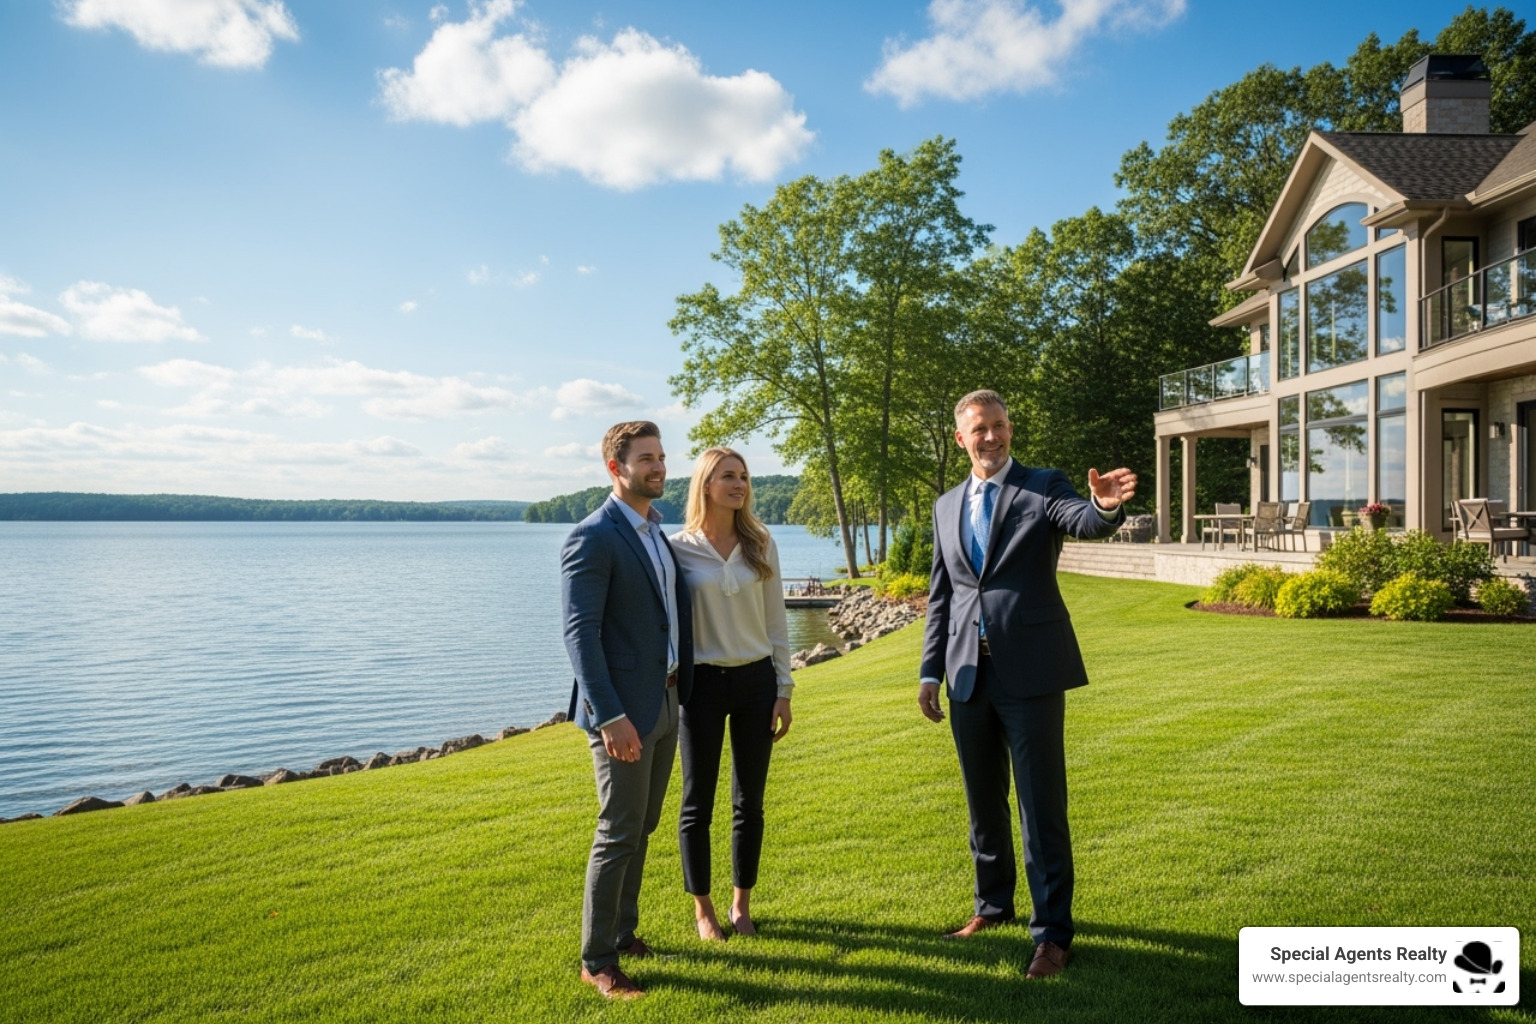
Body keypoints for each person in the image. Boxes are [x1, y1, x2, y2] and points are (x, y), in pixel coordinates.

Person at [918, 389, 1136, 980]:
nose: (991, 437)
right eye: (979, 429)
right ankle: (992, 906)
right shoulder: (945, 506)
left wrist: (1103, 506)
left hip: (1033, 672)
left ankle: (1052, 935)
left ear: (1010, 430)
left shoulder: (1043, 486)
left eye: (999, 425)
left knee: (1041, 807)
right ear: (961, 439)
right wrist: (930, 671)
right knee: (982, 802)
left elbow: (1082, 519)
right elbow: (942, 595)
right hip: (968, 674)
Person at [562, 420, 694, 1000]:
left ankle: (623, 932)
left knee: (643, 825)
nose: (659, 467)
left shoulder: (655, 531)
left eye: (661, 457)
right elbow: (580, 634)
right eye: (646, 459)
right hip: (621, 713)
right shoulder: (593, 536)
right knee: (618, 831)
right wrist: (609, 715)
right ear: (616, 468)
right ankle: (598, 961)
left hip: (665, 700)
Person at [669, 447, 794, 941]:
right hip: (700, 686)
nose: (740, 484)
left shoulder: (761, 543)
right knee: (696, 803)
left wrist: (784, 688)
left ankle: (741, 904)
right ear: (706, 484)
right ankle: (703, 909)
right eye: (728, 476)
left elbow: (776, 622)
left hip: (756, 683)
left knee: (750, 803)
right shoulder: (676, 549)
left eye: (743, 476)